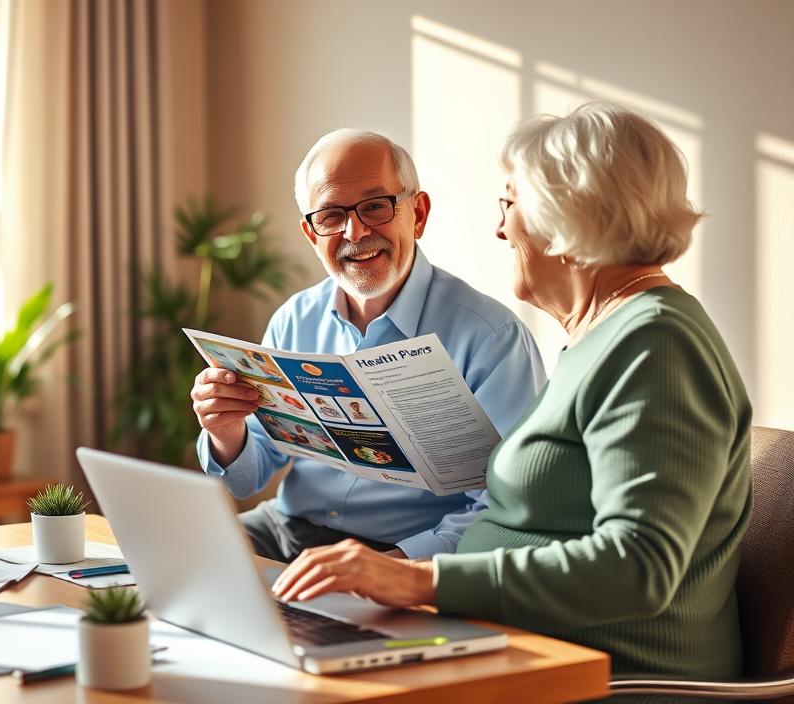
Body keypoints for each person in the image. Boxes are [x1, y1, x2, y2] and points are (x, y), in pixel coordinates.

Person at [271, 103, 752, 685]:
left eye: (509, 204)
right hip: (499, 639)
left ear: (569, 217)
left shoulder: (657, 344)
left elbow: (640, 566)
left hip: (603, 677)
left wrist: (416, 578)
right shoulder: (605, 337)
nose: (500, 229)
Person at [191, 130, 545, 562]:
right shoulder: (295, 317)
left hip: (404, 550)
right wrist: (227, 433)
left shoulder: (492, 338)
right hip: (285, 532)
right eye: (331, 215)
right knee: (176, 561)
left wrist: (394, 568)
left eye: (375, 207)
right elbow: (246, 479)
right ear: (310, 232)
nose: (354, 231)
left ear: (417, 214)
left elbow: (501, 510)